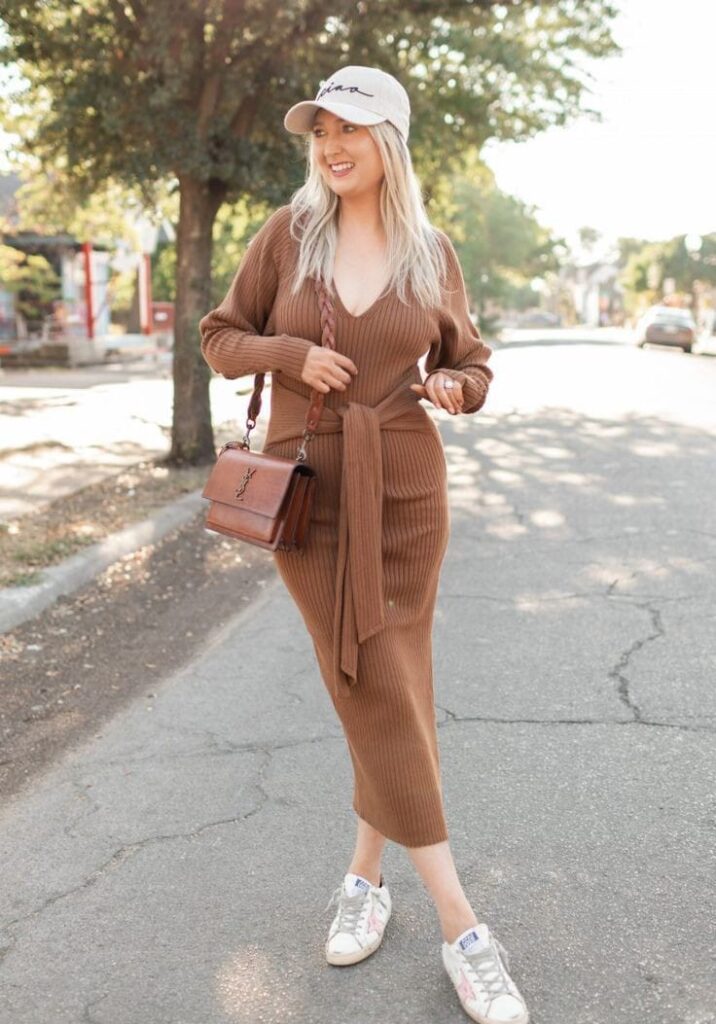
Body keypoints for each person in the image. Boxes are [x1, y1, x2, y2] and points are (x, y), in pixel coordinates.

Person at [199, 64, 529, 1024]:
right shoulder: (285, 239)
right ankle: (464, 927)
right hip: (310, 497)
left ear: (390, 142)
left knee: (392, 685)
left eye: (351, 130)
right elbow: (221, 336)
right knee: (371, 684)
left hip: (407, 492)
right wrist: (290, 354)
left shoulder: (432, 251)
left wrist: (458, 390)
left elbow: (468, 359)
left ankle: (364, 878)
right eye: (319, 133)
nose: (331, 148)